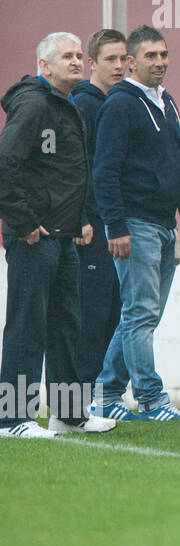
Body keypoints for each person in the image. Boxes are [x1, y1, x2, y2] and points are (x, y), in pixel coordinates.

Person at [91, 25, 180, 422]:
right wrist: (117, 226)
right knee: (140, 313)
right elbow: (104, 170)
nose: (160, 62)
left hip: (164, 225)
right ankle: (150, 399)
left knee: (142, 315)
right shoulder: (120, 104)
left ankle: (106, 395)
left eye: (164, 54)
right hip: (135, 225)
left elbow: (178, 163)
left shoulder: (167, 102)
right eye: (150, 56)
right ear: (130, 63)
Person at [0, 34, 111, 438]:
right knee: (27, 325)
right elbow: (5, 161)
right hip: (33, 236)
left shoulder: (68, 106)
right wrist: (24, 220)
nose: (78, 61)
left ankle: (68, 414)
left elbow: (64, 174)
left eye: (80, 55)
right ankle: (12, 418)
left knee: (66, 326)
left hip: (64, 235)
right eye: (67, 56)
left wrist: (79, 217)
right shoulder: (33, 103)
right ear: (44, 66)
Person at [70, 29, 127, 413]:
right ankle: (82, 397)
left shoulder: (121, 103)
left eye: (124, 59)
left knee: (115, 309)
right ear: (92, 63)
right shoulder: (84, 105)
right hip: (90, 227)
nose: (119, 66)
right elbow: (79, 169)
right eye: (110, 59)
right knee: (90, 313)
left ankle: (105, 396)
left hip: (117, 225)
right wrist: (84, 217)